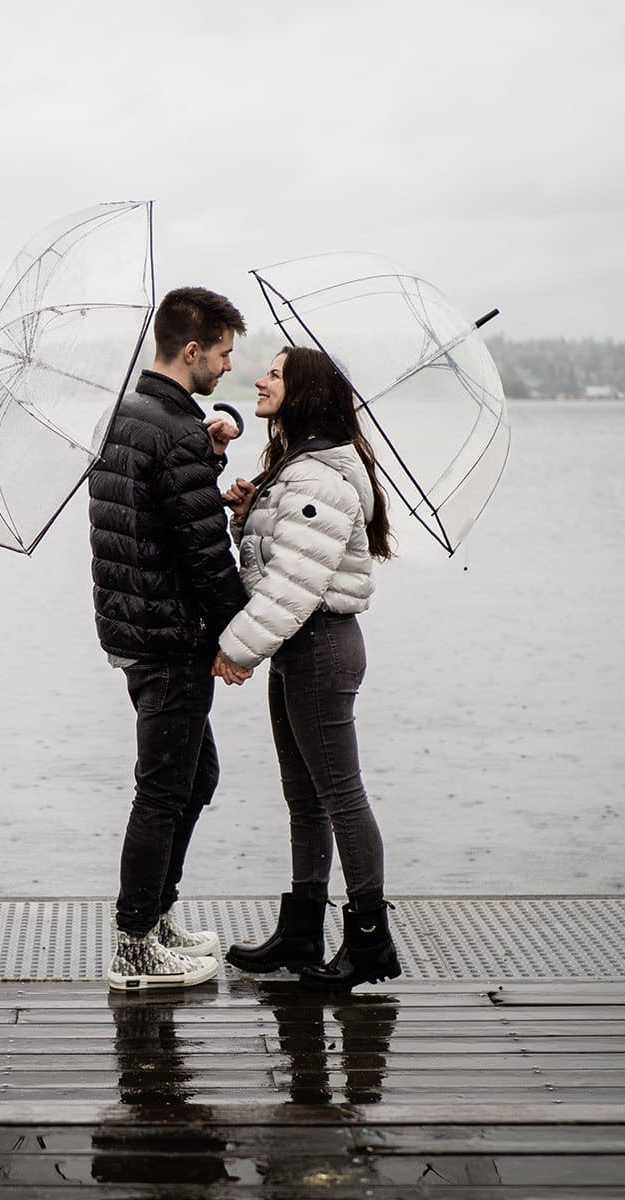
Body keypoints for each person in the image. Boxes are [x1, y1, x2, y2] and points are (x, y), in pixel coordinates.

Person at [213, 344, 401, 991]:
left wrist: (236, 648)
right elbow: (278, 556)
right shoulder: (299, 467)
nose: (260, 380)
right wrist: (246, 511)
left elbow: (295, 580)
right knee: (304, 800)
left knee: (340, 797)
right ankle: (301, 931)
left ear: (306, 394)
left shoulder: (319, 478)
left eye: (274, 373)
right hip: (301, 645)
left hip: (318, 643)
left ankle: (370, 939)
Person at [89, 286, 249, 990]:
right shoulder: (175, 428)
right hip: (170, 635)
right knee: (162, 791)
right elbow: (205, 556)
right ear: (191, 350)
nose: (227, 369)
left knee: (196, 776)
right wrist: (244, 631)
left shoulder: (127, 413)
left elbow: (157, 512)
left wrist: (204, 459)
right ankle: (133, 945)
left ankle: (155, 917)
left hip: (130, 626)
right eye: (222, 355)